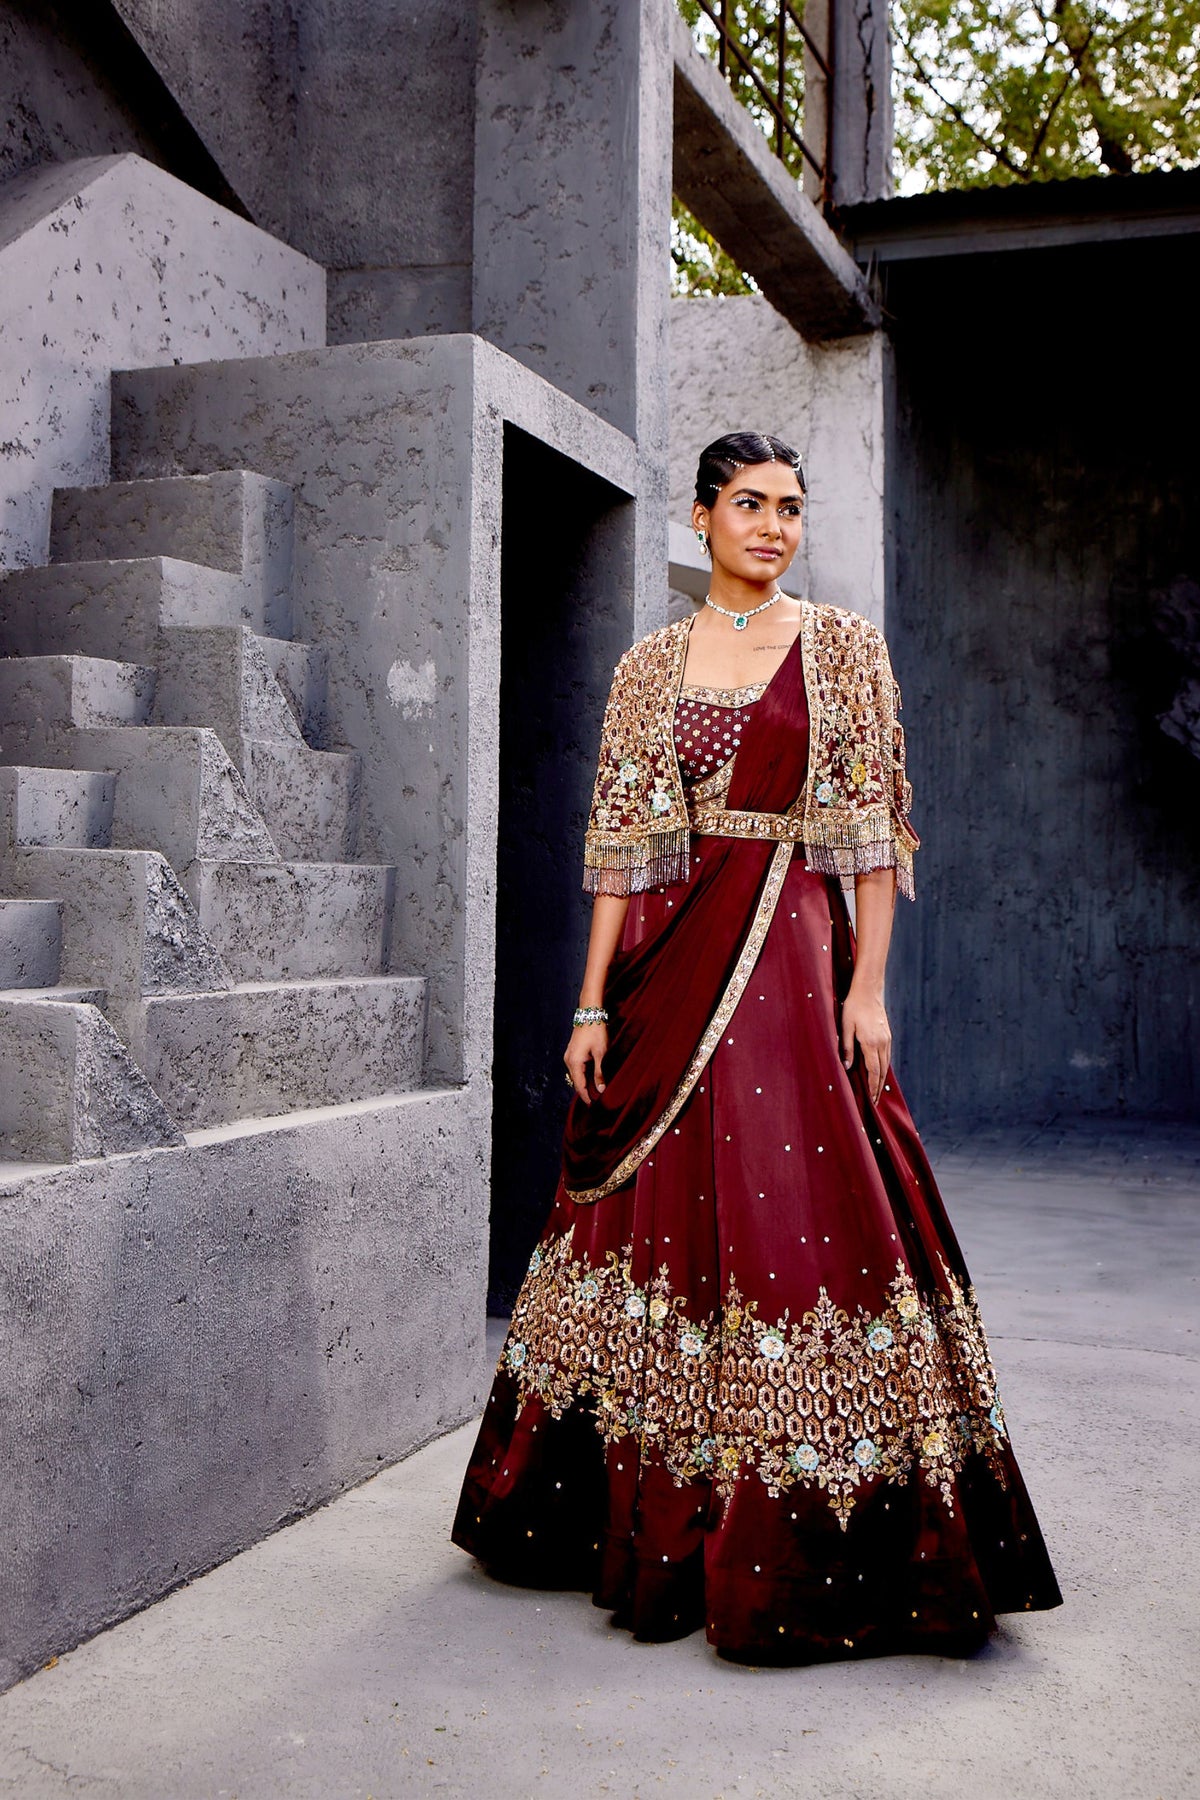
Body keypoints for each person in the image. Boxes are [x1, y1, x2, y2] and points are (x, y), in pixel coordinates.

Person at [452, 431, 1062, 1664]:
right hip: (666, 968)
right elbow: (625, 849)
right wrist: (587, 1004)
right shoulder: (649, 667)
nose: (775, 526)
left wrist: (870, 988)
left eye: (791, 507)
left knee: (806, 1212)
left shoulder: (840, 649)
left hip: (790, 955)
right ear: (699, 518)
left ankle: (821, 1519)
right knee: (649, 1215)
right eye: (749, 504)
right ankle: (629, 1511)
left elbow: (872, 834)